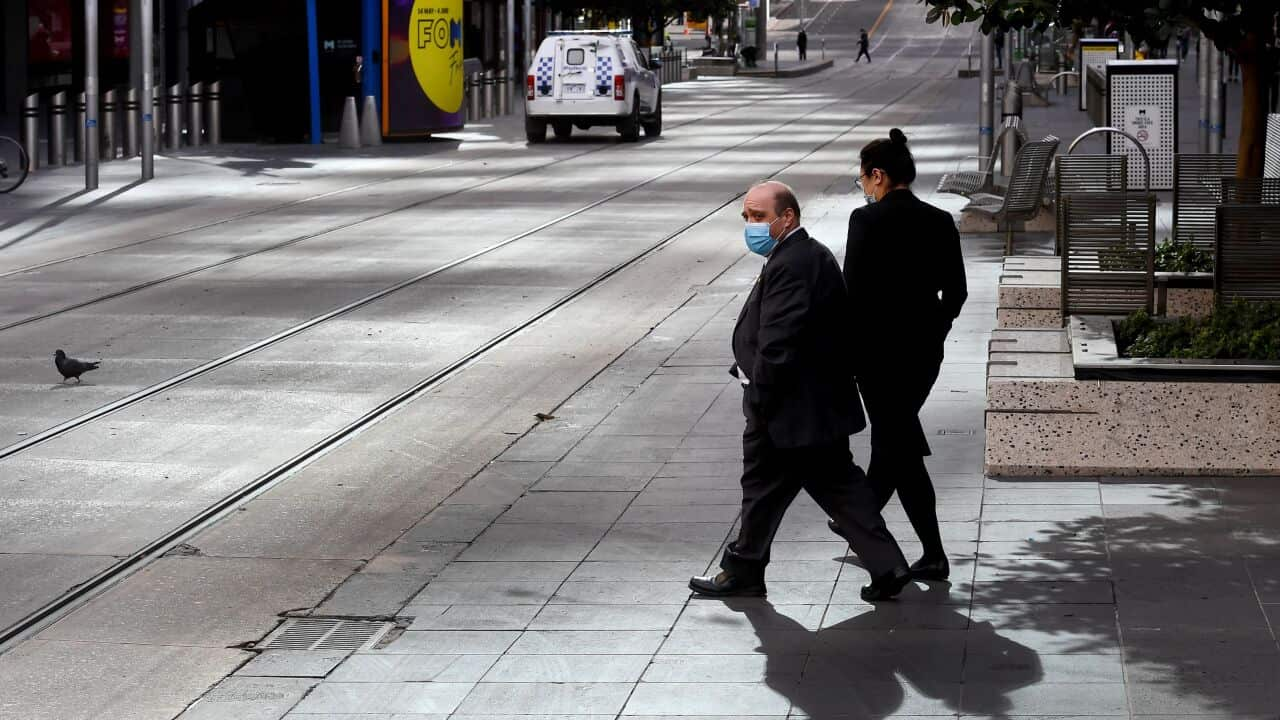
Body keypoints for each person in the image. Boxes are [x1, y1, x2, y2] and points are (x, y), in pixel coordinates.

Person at [689, 181, 911, 602]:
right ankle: (885, 566)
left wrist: (759, 397)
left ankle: (745, 571)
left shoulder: (794, 262)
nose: (750, 225)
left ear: (786, 217)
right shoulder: (802, 255)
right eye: (747, 217)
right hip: (811, 405)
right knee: (829, 487)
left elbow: (779, 341)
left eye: (758, 217)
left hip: (789, 406)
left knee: (771, 486)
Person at [830, 129, 967, 583]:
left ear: (879, 176)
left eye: (863, 179)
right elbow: (958, 292)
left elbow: (852, 295)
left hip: (876, 356)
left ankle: (868, 523)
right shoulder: (940, 221)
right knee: (897, 440)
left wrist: (845, 354)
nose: (863, 188)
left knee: (897, 443)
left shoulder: (865, 222)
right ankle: (899, 539)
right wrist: (935, 329)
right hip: (924, 356)